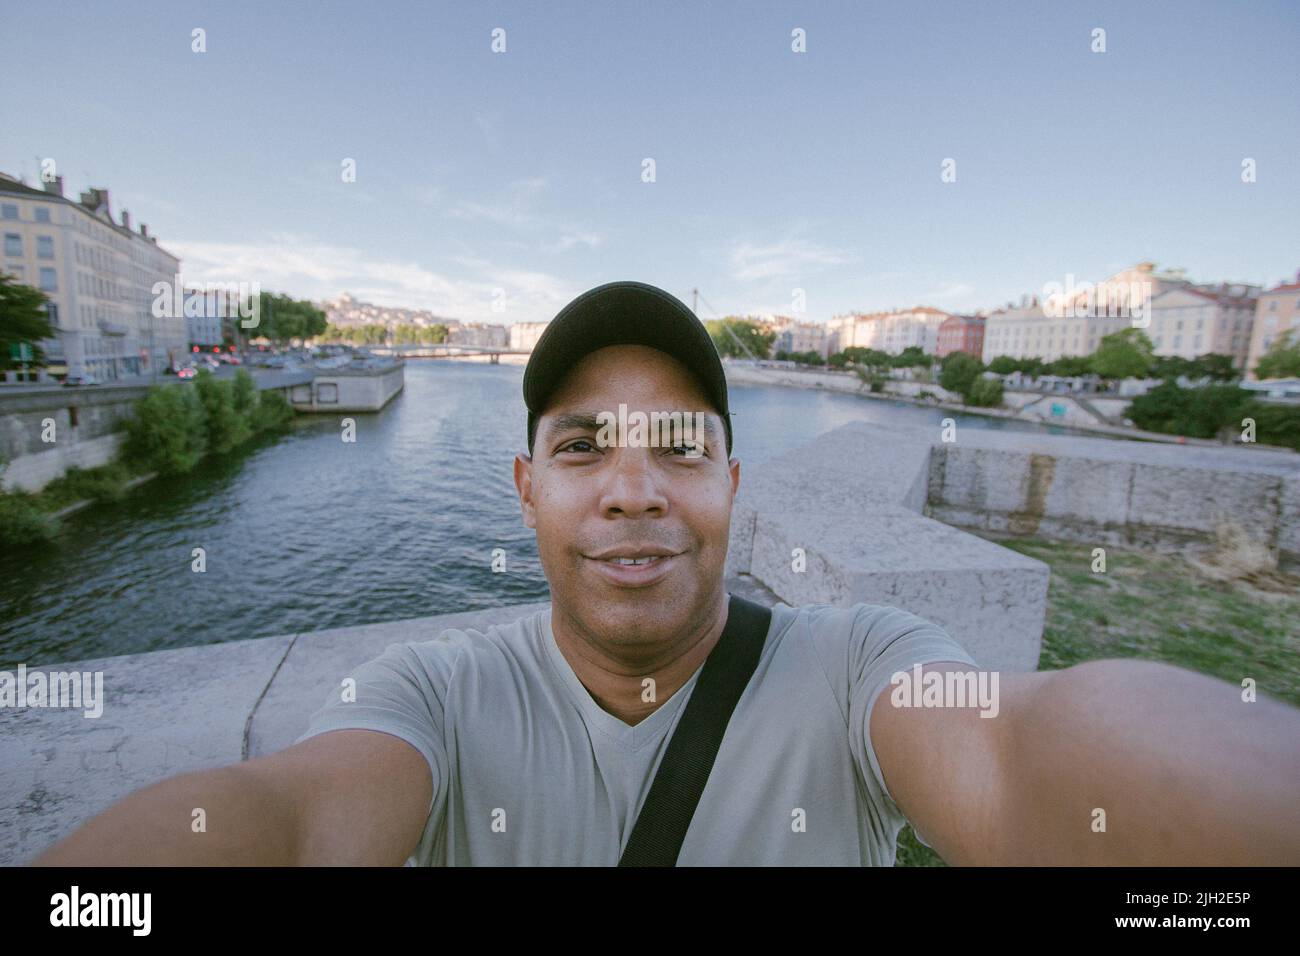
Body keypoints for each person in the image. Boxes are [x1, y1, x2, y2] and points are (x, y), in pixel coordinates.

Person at [34, 281, 1300, 866]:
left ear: (730, 492)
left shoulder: (856, 664)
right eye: (583, 445)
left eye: (678, 448)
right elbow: (287, 821)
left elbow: (1028, 752)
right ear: (527, 489)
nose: (632, 486)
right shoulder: (428, 692)